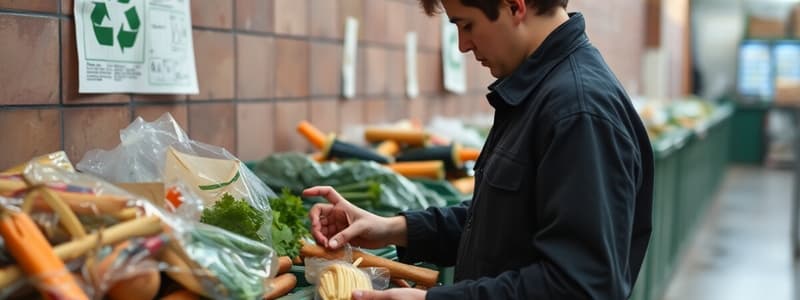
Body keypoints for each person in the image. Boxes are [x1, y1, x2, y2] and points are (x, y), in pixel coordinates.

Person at [303, 0, 654, 299]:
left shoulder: (577, 110)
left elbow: (578, 287)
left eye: (466, 25)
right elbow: (501, 222)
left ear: (514, 5)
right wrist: (393, 228)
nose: (463, 45)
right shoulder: (542, 92)